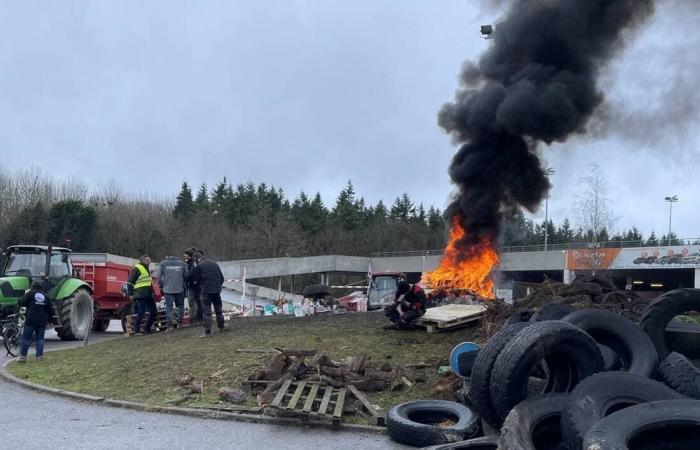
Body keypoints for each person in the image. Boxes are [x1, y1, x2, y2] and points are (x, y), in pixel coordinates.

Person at [191, 251, 225, 338]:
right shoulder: (214, 263)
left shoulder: (199, 266)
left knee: (207, 312)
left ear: (195, 259)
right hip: (216, 291)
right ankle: (221, 327)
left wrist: (201, 287)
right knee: (218, 310)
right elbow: (222, 278)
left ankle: (207, 331)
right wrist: (217, 287)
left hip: (206, 291)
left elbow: (196, 280)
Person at [18, 281, 53, 362]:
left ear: (32, 286)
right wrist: (51, 320)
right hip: (42, 321)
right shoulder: (45, 296)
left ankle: (23, 357)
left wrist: (19, 301)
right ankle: (39, 357)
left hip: (30, 320)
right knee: (40, 339)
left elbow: (22, 302)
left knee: (26, 338)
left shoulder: (30, 294)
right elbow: (50, 309)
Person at [128, 255, 157, 335]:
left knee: (154, 311)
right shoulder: (137, 268)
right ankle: (136, 331)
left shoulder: (147, 269)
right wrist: (130, 294)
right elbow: (130, 282)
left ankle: (147, 329)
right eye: (147, 259)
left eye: (149, 259)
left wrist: (153, 293)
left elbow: (149, 282)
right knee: (141, 311)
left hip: (148, 294)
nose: (149, 261)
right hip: (140, 294)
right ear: (142, 260)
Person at [157, 254, 187, 331]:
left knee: (169, 307)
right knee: (181, 306)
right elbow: (186, 275)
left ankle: (170, 326)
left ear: (167, 257)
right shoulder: (182, 263)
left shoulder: (163, 264)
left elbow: (159, 276)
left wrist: (161, 285)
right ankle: (179, 323)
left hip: (167, 289)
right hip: (180, 288)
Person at [184, 248, 202, 324]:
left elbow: (191, 274)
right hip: (191, 285)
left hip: (194, 286)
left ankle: (196, 318)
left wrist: (187, 278)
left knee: (195, 302)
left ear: (190, 255)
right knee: (192, 302)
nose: (184, 256)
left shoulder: (194, 263)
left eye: (186, 254)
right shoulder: (188, 263)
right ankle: (194, 318)